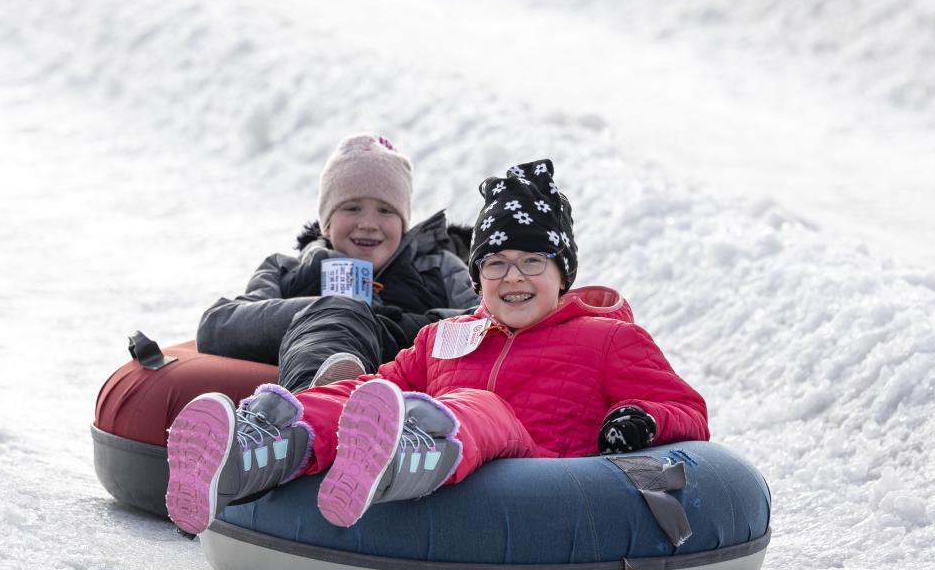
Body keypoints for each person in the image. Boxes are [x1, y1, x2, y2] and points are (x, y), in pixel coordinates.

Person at [166, 159, 710, 535]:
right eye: (495, 264)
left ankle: (406, 451)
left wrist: (641, 418)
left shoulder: (609, 336)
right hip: (439, 441)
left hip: (537, 472)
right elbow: (379, 391)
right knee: (356, 397)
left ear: (562, 274)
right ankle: (254, 446)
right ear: (477, 279)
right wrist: (320, 403)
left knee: (480, 407)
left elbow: (689, 412)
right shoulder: (446, 336)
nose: (513, 277)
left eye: (532, 262)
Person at [196, 134, 477, 391]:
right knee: (338, 314)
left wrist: (378, 321)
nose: (368, 224)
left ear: (403, 224)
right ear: (326, 223)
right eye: (351, 208)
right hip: (312, 350)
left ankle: (317, 411)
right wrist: (328, 310)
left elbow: (480, 322)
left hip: (406, 360)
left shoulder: (439, 267)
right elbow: (218, 325)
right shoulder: (286, 270)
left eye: (385, 211)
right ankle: (314, 408)